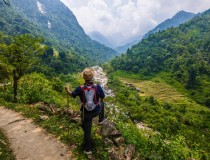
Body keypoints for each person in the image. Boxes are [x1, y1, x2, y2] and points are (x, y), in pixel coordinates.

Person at [65, 68, 107, 154]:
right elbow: (103, 97)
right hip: (96, 111)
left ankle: (88, 149)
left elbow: (71, 94)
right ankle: (101, 119)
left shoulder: (80, 88)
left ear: (84, 78)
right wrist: (98, 101)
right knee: (102, 103)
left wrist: (67, 89)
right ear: (92, 77)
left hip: (86, 113)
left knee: (87, 131)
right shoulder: (97, 87)